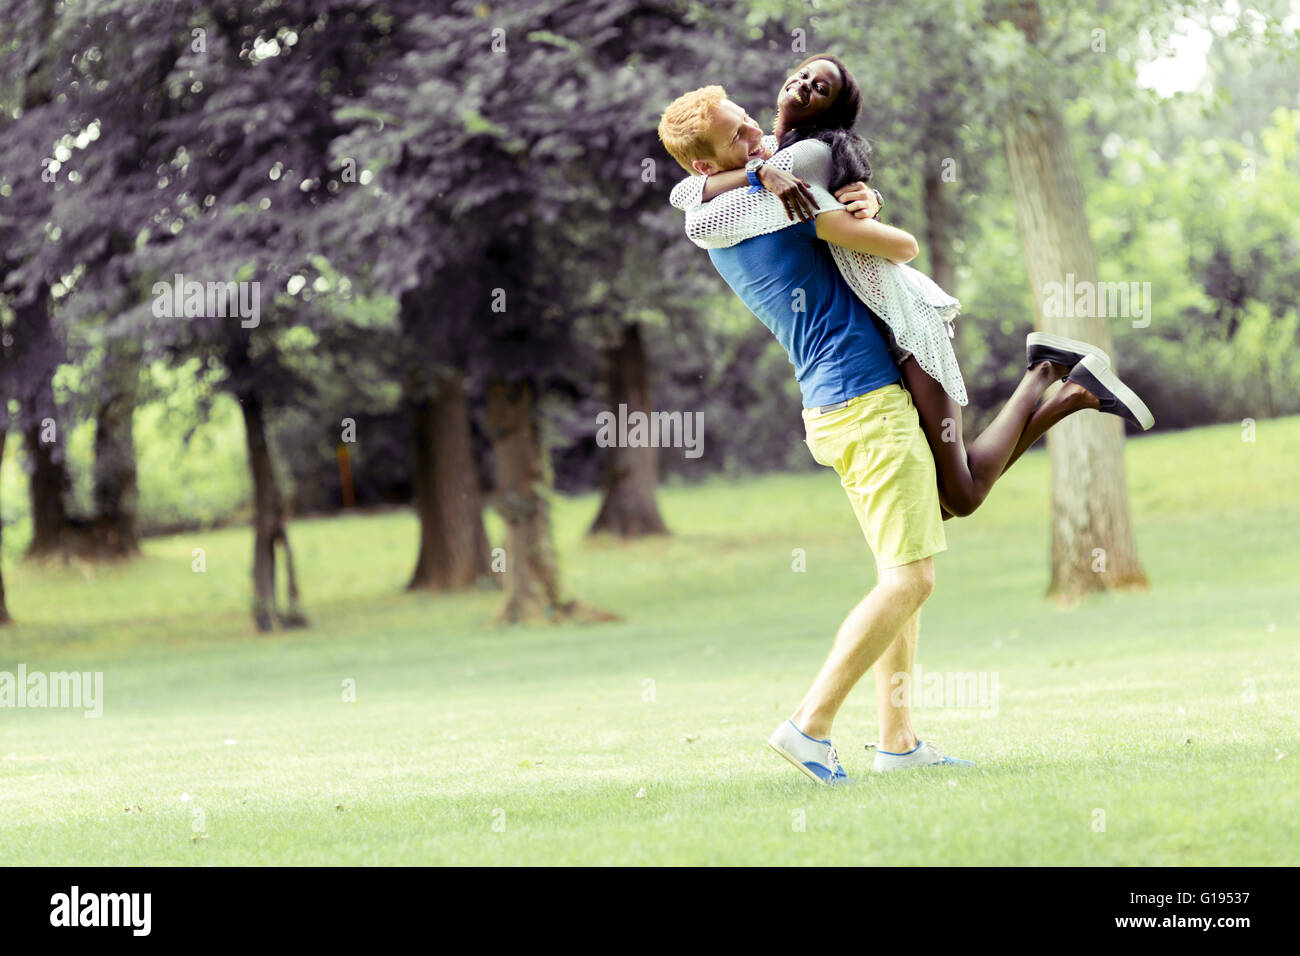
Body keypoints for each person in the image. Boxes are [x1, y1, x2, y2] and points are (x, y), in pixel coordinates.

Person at [656, 73, 1151, 785]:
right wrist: (830, 190)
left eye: (748, 122)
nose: (756, 135)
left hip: (842, 407)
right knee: (911, 579)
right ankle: (809, 725)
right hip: (864, 405)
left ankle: (897, 741)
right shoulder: (752, 203)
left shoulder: (746, 196)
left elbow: (746, 190)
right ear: (707, 163)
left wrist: (844, 193)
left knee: (902, 567)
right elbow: (786, 186)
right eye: (737, 135)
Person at [668, 55, 1153, 521]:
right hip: (886, 327)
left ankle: (1049, 376)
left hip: (907, 325)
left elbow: (698, 214)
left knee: (959, 498)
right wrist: (759, 169)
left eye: (821, 88)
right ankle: (1063, 385)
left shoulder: (802, 156)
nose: (803, 87)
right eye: (801, 75)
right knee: (943, 503)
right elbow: (685, 192)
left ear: (830, 111)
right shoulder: (769, 158)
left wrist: (791, 181)